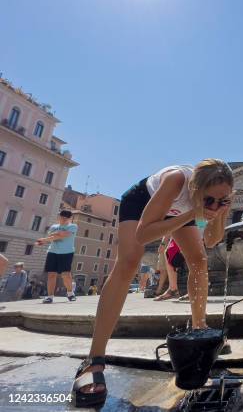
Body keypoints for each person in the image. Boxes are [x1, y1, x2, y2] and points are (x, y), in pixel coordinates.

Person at [72, 160, 233, 408]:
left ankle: (200, 329)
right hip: (143, 205)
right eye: (210, 199)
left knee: (199, 260)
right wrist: (193, 213)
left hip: (184, 210)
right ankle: (94, 359)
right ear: (196, 188)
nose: (215, 204)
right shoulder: (177, 180)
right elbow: (143, 234)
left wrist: (219, 213)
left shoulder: (210, 201)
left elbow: (211, 241)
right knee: (128, 263)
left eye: (222, 200)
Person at [36, 210, 78, 304]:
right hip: (52, 252)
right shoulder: (54, 226)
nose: (63, 220)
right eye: (62, 217)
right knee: (51, 274)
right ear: (59, 217)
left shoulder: (73, 226)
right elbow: (53, 235)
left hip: (67, 252)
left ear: (70, 218)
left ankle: (70, 293)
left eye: (66, 218)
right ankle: (49, 297)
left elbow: (63, 235)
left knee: (65, 274)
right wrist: (56, 234)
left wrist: (47, 238)